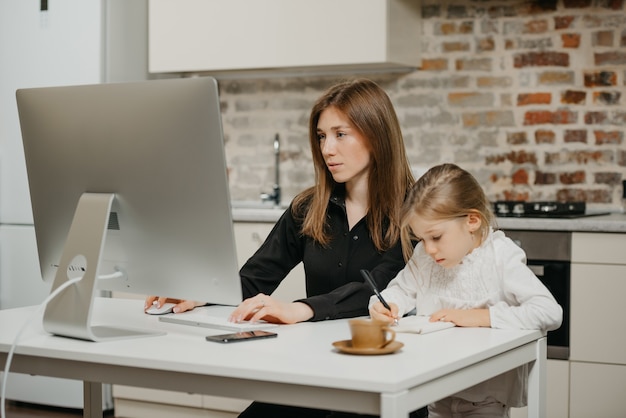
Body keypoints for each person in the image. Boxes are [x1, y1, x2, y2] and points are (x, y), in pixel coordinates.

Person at [146, 78, 427, 417]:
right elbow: (255, 278)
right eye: (322, 136)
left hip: (386, 378)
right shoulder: (307, 209)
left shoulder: (416, 213)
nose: (327, 149)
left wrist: (301, 309)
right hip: (315, 372)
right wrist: (201, 292)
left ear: (376, 136)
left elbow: (381, 289)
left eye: (341, 134)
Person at [369, 163, 563, 418]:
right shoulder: (426, 258)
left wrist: (480, 317)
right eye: (421, 240)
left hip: (486, 401)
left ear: (472, 220)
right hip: (436, 395)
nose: (428, 249)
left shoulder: (500, 256)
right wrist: (385, 304)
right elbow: (400, 291)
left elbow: (549, 312)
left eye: (436, 237)